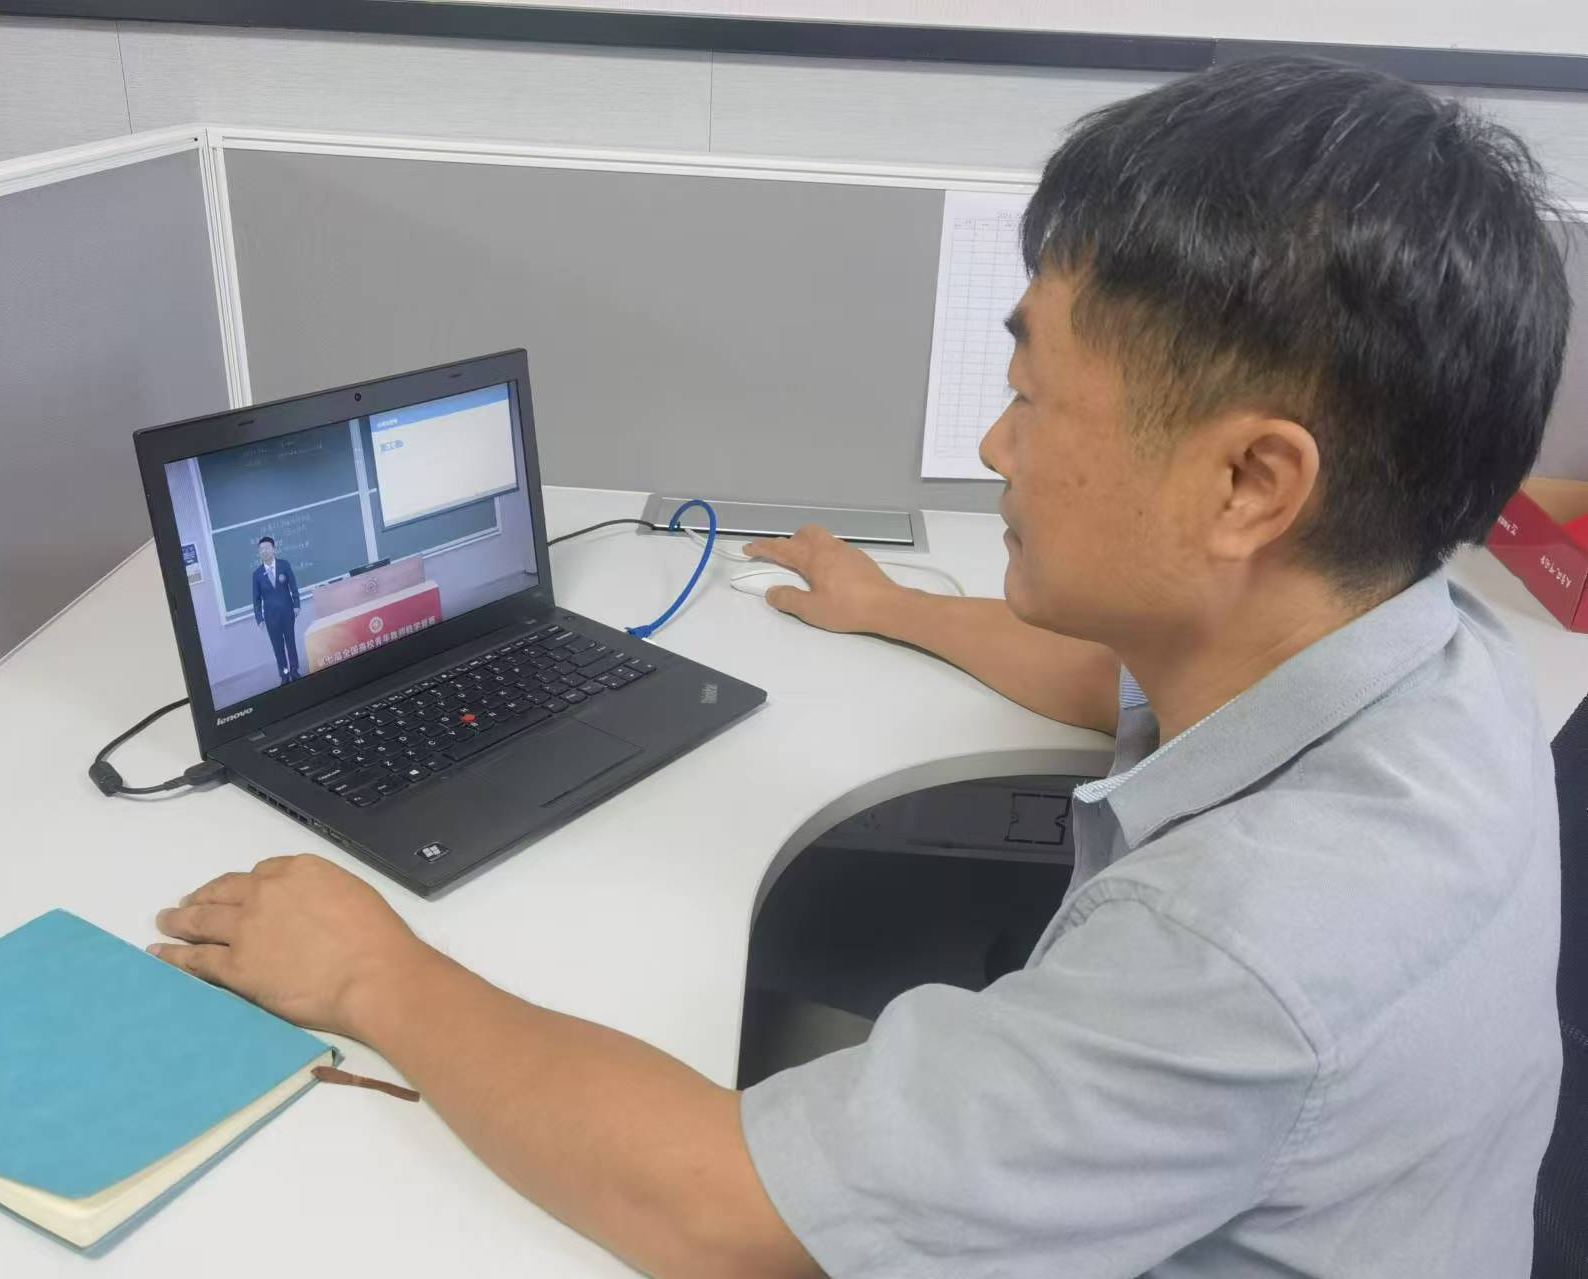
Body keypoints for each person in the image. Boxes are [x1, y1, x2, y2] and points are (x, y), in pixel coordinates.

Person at [150, 57, 1571, 1277]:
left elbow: (710, 1209)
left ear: (1249, 484)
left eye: (1030, 396)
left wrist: (377, 975)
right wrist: (896, 608)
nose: (995, 447)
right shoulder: (1427, 649)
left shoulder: (1248, 947)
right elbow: (1118, 683)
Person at [251, 535, 301, 685]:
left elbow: (293, 586)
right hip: (271, 617)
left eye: (267, 548)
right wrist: (259, 618)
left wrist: (297, 604)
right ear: (259, 553)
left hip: (287, 611)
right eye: (261, 549)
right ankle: (284, 675)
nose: (264, 551)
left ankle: (294, 671)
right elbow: (256, 599)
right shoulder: (257, 574)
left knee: (290, 643)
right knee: (278, 647)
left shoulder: (284, 565)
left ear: (274, 549)